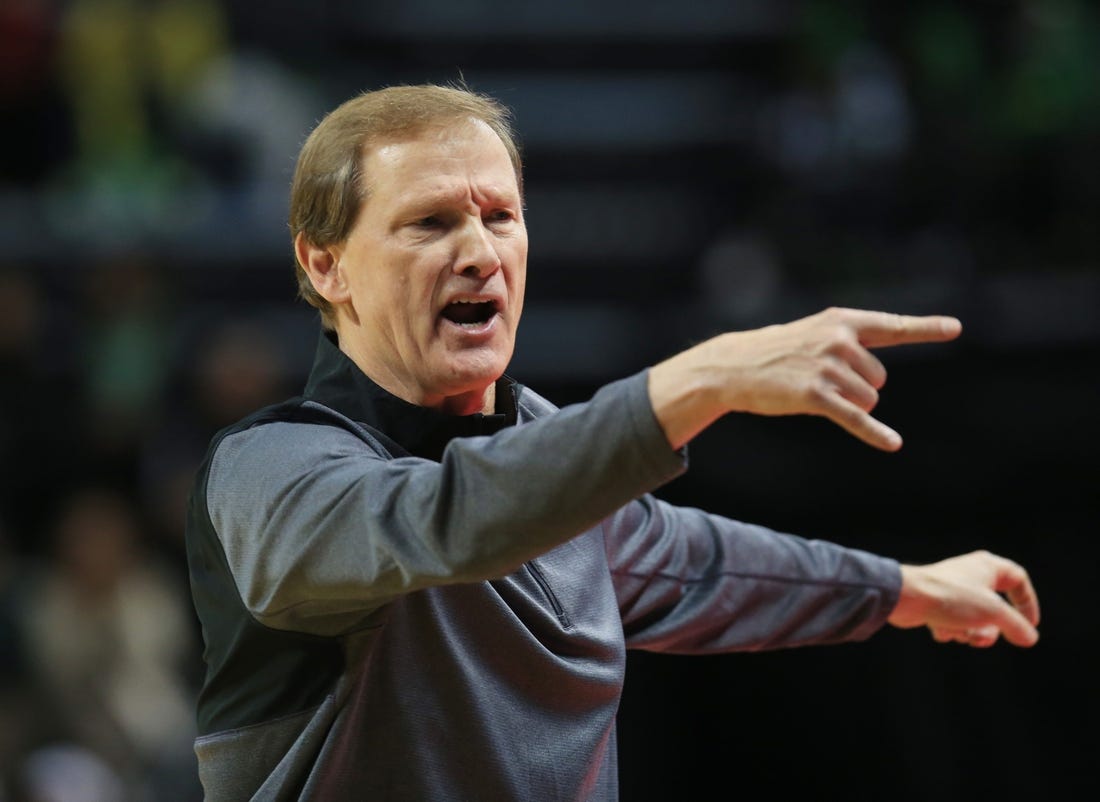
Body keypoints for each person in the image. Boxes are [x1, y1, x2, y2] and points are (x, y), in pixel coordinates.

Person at [184, 83, 1040, 801]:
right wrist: (703, 380)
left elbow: (697, 561)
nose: (481, 251)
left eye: (500, 215)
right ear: (326, 265)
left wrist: (905, 588)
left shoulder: (547, 448)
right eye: (431, 223)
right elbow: (442, 519)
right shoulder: (269, 470)